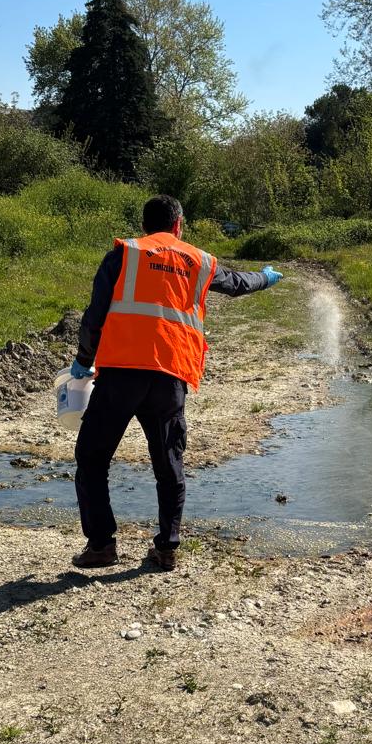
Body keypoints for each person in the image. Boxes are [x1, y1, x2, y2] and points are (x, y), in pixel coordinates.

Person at [69, 194, 283, 570]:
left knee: (92, 457)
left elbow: (95, 314)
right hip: (170, 376)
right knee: (169, 463)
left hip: (121, 374)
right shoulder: (198, 260)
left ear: (144, 225)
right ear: (179, 225)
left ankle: (101, 546)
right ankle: (167, 548)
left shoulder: (125, 253)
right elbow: (236, 283)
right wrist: (264, 278)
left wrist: (84, 359)